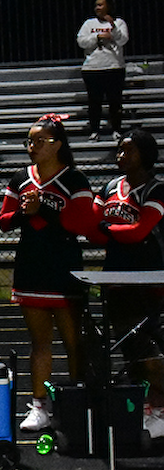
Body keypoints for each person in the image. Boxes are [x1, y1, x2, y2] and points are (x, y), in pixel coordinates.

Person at [0, 114, 102, 432]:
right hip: (31, 265)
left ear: (58, 145)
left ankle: (78, 402)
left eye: (39, 141)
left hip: (64, 266)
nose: (32, 146)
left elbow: (82, 224)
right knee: (39, 343)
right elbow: (4, 221)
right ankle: (39, 406)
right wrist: (24, 212)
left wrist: (42, 209)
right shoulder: (21, 177)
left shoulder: (75, 179)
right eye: (29, 141)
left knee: (74, 341)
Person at [92, 129, 164, 439]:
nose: (120, 156)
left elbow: (139, 231)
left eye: (128, 151)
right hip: (115, 277)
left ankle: (160, 407)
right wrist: (110, 229)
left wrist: (108, 228)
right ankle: (144, 407)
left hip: (150, 279)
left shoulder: (157, 190)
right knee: (128, 347)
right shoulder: (110, 187)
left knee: (149, 348)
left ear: (145, 155)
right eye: (119, 150)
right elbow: (91, 227)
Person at [78, 0, 129, 139]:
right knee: (94, 102)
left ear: (108, 6)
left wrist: (112, 27)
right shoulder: (89, 24)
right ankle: (95, 131)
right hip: (93, 68)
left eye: (100, 5)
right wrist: (97, 37)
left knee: (115, 101)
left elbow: (123, 40)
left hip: (114, 67)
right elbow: (81, 41)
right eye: (96, 5)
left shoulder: (119, 22)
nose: (97, 8)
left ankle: (116, 130)